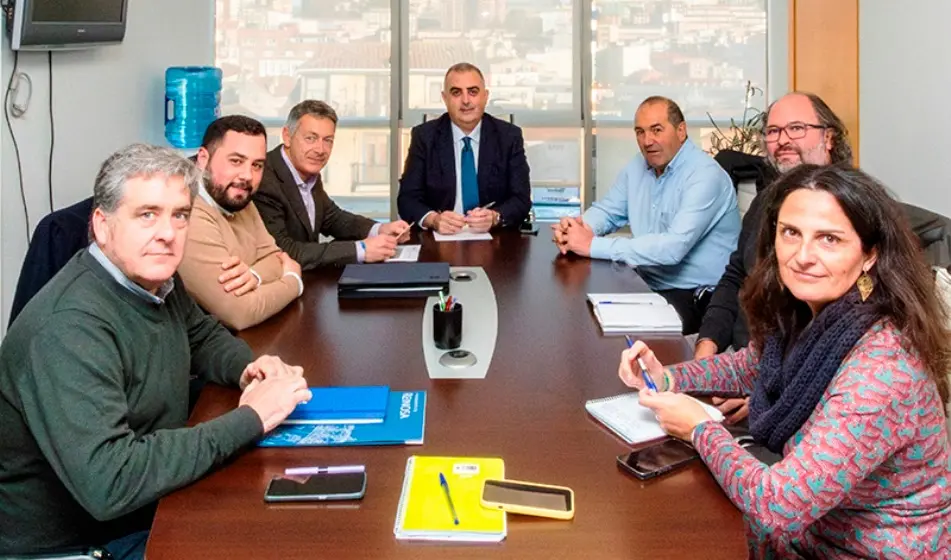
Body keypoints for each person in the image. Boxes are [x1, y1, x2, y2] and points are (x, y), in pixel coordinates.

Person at [619, 164, 951, 557]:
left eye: (829, 239)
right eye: (791, 233)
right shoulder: (816, 312)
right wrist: (668, 376)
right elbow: (752, 365)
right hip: (817, 532)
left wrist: (699, 430)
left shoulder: (882, 370)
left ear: (869, 256)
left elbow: (777, 505)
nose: (802, 256)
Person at [0, 144, 312, 559]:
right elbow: (112, 482)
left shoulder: (155, 277)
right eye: (147, 214)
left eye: (179, 215)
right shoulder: (68, 326)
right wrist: (253, 417)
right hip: (81, 541)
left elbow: (199, 334)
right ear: (103, 225)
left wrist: (251, 369)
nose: (167, 233)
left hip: (140, 505)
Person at [696, 91, 951, 424]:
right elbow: (735, 276)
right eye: (773, 131)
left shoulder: (858, 206)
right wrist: (707, 342)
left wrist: (761, 395)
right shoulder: (766, 204)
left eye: (796, 128)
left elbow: (829, 352)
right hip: (749, 365)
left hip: (800, 399)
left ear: (828, 137)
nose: (782, 140)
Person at [552, 96, 739, 334]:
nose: (647, 141)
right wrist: (578, 228)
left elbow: (672, 249)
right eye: (640, 132)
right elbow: (609, 210)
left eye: (657, 130)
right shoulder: (638, 166)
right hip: (648, 282)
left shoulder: (705, 176)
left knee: (621, 336)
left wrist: (591, 245)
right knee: (578, 312)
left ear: (681, 131)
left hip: (696, 296)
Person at [177, 115, 303, 330]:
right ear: (203, 158)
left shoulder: (236, 194)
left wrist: (254, 275)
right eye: (236, 161)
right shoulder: (184, 209)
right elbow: (239, 312)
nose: (247, 175)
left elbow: (276, 257)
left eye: (257, 165)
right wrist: (293, 281)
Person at [254, 100, 410, 269]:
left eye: (327, 140)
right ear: (287, 136)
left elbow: (333, 218)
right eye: (310, 138)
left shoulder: (307, 172)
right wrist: (361, 249)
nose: (320, 149)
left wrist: (379, 229)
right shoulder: (263, 180)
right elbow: (284, 252)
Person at [397, 62, 532, 233]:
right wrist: (434, 219)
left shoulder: (508, 137)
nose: (466, 100)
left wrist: (494, 217)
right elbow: (407, 199)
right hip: (439, 241)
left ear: (485, 96)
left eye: (473, 92)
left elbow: (521, 199)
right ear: (445, 98)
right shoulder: (424, 137)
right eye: (456, 92)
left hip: (495, 241)